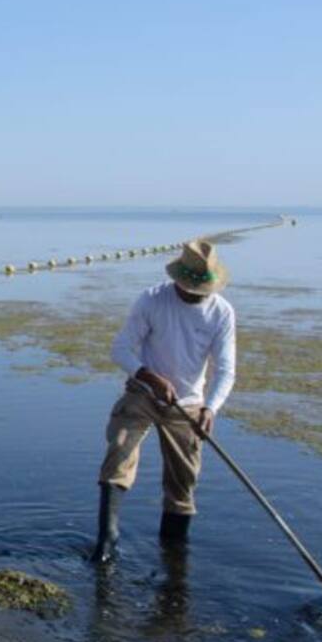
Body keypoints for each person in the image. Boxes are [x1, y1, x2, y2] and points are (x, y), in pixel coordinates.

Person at [92, 240, 237, 561]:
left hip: (188, 405)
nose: (196, 294)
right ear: (176, 280)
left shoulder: (221, 313)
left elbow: (226, 370)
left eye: (202, 289)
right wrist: (149, 377)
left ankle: (173, 557)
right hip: (142, 393)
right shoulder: (152, 300)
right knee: (119, 450)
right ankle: (107, 540)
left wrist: (210, 409)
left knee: (183, 482)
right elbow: (121, 350)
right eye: (189, 288)